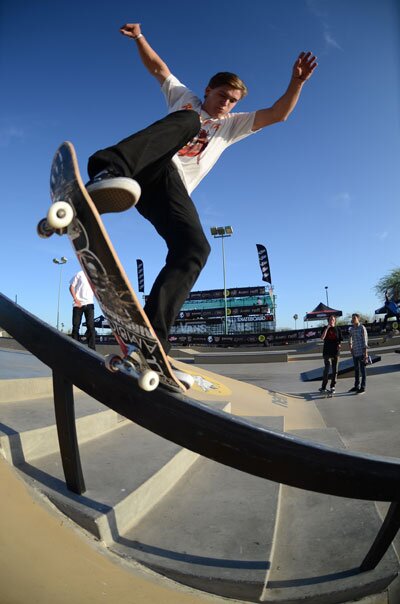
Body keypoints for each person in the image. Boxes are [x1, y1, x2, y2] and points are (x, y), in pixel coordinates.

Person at [86, 22, 317, 358]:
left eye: (233, 101)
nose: (226, 104)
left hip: (166, 192)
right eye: (223, 95)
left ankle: (151, 339)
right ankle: (107, 170)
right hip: (143, 169)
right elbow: (158, 68)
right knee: (188, 120)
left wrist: (296, 83)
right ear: (208, 90)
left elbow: (277, 114)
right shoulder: (186, 99)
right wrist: (139, 37)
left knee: (195, 249)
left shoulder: (233, 125)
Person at [69, 270, 96, 350]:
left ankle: (92, 348)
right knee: (76, 325)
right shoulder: (79, 274)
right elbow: (71, 287)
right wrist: (75, 299)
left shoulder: (93, 276)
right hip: (78, 304)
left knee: (90, 325)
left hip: (90, 303)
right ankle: (75, 346)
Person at [319, 315, 342, 395]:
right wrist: (327, 328)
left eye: (333, 319)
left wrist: (339, 344)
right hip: (327, 352)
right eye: (330, 319)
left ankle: (332, 386)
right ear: (328, 320)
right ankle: (323, 387)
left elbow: (340, 339)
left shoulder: (338, 329)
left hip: (335, 352)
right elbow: (322, 338)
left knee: (335, 370)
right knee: (327, 369)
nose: (331, 320)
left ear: (335, 320)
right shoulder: (325, 328)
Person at [348, 313, 368, 394]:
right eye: (352, 318)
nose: (353, 319)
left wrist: (365, 353)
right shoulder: (351, 329)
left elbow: (365, 341)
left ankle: (363, 387)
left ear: (358, 319)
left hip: (362, 352)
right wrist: (350, 347)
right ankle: (356, 386)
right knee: (356, 370)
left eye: (355, 318)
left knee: (363, 370)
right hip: (355, 352)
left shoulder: (362, 328)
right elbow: (350, 338)